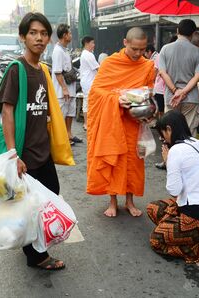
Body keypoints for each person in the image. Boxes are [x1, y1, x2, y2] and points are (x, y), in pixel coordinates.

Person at [0, 12, 68, 270]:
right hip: (25, 153)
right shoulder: (18, 69)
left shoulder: (43, 70)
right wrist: (14, 154)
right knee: (31, 206)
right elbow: (6, 112)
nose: (39, 38)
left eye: (43, 33)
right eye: (33, 33)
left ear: (49, 38)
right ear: (23, 37)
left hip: (43, 149)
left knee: (50, 196)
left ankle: (31, 243)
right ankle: (37, 257)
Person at [86, 27, 155, 218]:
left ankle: (130, 201)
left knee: (133, 163)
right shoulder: (110, 63)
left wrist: (148, 106)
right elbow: (96, 91)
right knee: (114, 160)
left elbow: (148, 91)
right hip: (113, 122)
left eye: (142, 50)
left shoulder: (147, 65)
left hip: (133, 121)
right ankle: (113, 202)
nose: (139, 54)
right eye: (134, 49)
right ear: (125, 43)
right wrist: (116, 99)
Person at [147, 110, 199, 266]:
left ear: (169, 129)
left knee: (156, 240)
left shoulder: (175, 151)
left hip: (198, 218)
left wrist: (167, 162)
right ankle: (194, 236)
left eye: (163, 135)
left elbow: (174, 190)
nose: (163, 139)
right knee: (153, 208)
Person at [158, 19, 199, 138]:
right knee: (189, 133)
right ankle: (187, 156)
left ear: (177, 31)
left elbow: (162, 73)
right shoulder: (198, 52)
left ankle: (172, 155)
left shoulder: (165, 49)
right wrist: (183, 92)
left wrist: (175, 91)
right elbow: (197, 76)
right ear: (193, 33)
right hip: (190, 98)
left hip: (171, 97)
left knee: (170, 132)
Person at [52, 24, 82, 145]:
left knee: (70, 113)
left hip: (70, 88)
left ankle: (69, 134)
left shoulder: (65, 49)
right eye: (69, 33)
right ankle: (61, 138)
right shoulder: (58, 51)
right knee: (61, 115)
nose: (71, 35)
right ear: (64, 35)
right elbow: (58, 72)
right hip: (62, 91)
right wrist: (64, 89)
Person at [79, 36, 99, 131]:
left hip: (86, 81)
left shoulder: (86, 53)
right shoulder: (88, 54)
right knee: (89, 103)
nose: (94, 45)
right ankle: (87, 124)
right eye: (92, 43)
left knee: (87, 102)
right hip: (89, 82)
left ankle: (87, 123)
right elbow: (98, 68)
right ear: (87, 43)